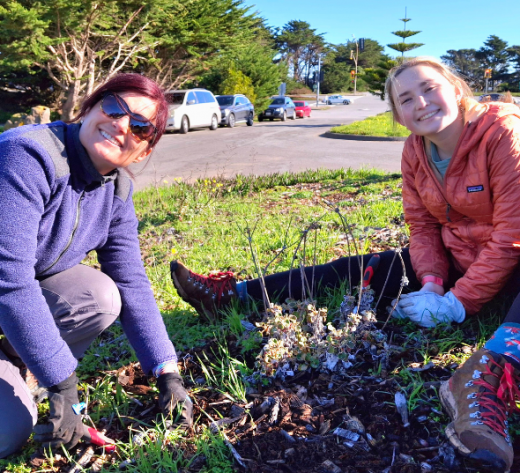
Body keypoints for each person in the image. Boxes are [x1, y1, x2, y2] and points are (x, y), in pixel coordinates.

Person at [170, 56, 520, 472]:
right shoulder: (415, 151)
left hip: (512, 263)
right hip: (458, 257)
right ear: (399, 116)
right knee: (365, 265)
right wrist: (430, 283)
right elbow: (423, 227)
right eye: (406, 99)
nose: (421, 103)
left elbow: (512, 233)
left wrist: (457, 302)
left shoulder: (503, 132)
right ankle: (233, 295)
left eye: (429, 88)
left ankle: (482, 379)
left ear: (457, 89)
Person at [0, 73, 193, 471]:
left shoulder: (116, 190)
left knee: (101, 295)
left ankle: (4, 370)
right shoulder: (26, 156)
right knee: (3, 431)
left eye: (140, 127)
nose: (122, 125)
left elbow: (132, 282)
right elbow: (9, 281)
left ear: (143, 152)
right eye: (114, 108)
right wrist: (63, 385)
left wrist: (166, 372)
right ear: (89, 108)